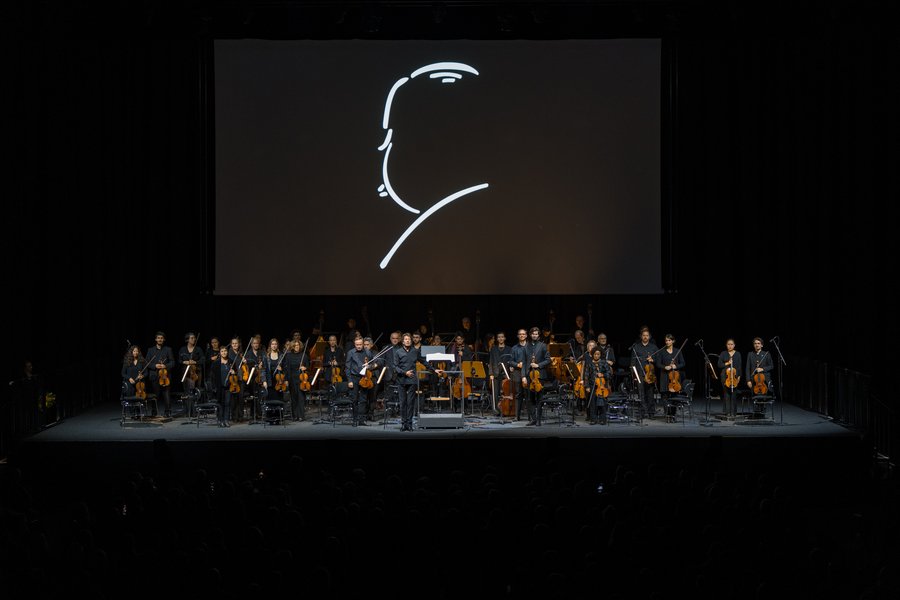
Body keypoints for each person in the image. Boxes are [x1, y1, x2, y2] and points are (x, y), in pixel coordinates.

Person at [392, 332, 428, 431]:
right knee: (403, 403)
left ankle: (409, 424)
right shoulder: (398, 352)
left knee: (410, 403)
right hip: (401, 380)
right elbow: (395, 366)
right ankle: (404, 424)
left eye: (409, 339)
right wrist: (405, 373)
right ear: (403, 341)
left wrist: (434, 370)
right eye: (406, 339)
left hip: (412, 380)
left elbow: (424, 361)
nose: (407, 341)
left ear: (411, 341)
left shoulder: (415, 351)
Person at [523, 327, 550, 425]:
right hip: (529, 375)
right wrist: (523, 376)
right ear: (530, 335)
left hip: (540, 376)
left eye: (536, 334)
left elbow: (548, 360)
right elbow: (524, 362)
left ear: (538, 335)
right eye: (533, 334)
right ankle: (533, 418)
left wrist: (538, 365)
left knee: (539, 398)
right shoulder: (526, 346)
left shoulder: (543, 345)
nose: (534, 335)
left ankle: (538, 419)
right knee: (529, 399)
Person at [345, 336, 375, 426]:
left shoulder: (367, 352)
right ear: (354, 344)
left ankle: (362, 420)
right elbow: (347, 367)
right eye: (357, 344)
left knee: (363, 399)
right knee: (354, 399)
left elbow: (372, 364)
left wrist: (369, 366)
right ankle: (355, 420)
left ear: (363, 344)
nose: (358, 346)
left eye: (360, 344)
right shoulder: (350, 352)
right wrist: (349, 380)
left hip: (364, 378)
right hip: (354, 378)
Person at [630, 326, 659, 419]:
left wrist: (653, 360)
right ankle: (642, 413)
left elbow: (658, 360)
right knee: (641, 394)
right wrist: (634, 374)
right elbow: (633, 362)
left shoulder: (654, 347)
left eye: (647, 335)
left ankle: (651, 413)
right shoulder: (636, 347)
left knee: (650, 394)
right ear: (641, 336)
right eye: (644, 335)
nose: (645, 337)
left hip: (650, 374)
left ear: (649, 336)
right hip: (639, 374)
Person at [658, 334, 685, 421]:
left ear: (673, 341)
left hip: (674, 377)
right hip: (664, 376)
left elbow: (683, 363)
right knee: (665, 397)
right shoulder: (662, 352)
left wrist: (675, 366)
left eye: (669, 340)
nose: (667, 342)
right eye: (666, 340)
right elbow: (658, 363)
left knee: (674, 397)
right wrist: (664, 367)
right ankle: (667, 415)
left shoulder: (678, 351)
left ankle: (673, 415)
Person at [147, 332, 174, 417]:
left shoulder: (168, 349)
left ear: (164, 339)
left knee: (166, 394)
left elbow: (172, 362)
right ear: (156, 339)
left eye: (161, 338)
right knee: (155, 395)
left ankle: (168, 412)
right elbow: (146, 363)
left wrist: (165, 366)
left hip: (165, 376)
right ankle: (154, 412)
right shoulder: (150, 350)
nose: (160, 339)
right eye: (158, 338)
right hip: (155, 376)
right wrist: (155, 365)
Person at [207, 345, 236, 427]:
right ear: (220, 353)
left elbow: (236, 373)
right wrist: (214, 387)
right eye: (222, 351)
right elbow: (212, 376)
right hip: (219, 387)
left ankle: (226, 420)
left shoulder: (231, 362)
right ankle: (220, 420)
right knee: (220, 404)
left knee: (227, 403)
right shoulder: (216, 363)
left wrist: (234, 372)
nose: (224, 353)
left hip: (229, 386)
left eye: (225, 351)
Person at [178, 332, 204, 418]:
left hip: (196, 373)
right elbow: (179, 360)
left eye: (194, 338)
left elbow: (203, 359)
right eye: (192, 338)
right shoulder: (182, 349)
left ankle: (195, 411)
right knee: (187, 392)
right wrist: (184, 362)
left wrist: (195, 362)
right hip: (186, 373)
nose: (194, 339)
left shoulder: (198, 349)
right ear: (187, 339)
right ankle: (188, 411)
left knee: (196, 391)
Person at [283, 339, 309, 421]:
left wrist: (305, 368)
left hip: (301, 379)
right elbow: (287, 369)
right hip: (292, 378)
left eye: (297, 345)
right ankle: (295, 416)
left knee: (301, 397)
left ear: (300, 346)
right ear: (292, 347)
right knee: (294, 398)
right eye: (295, 345)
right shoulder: (288, 356)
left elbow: (308, 366)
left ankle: (301, 415)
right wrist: (286, 379)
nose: (296, 347)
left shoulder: (304, 355)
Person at [746, 337, 774, 411]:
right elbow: (747, 368)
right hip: (754, 380)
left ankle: (762, 409)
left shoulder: (766, 354)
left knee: (763, 398)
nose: (757, 345)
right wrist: (748, 380)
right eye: (755, 343)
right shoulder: (750, 354)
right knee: (755, 398)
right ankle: (756, 411)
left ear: (762, 345)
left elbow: (771, 366)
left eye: (758, 343)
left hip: (764, 380)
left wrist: (762, 369)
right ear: (753, 345)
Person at [585, 348, 613, 424]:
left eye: (598, 354)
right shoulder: (589, 363)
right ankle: (593, 419)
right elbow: (586, 375)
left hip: (602, 386)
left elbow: (609, 374)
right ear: (592, 355)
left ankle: (602, 419)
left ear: (600, 355)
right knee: (593, 403)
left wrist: (603, 375)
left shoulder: (604, 363)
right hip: (592, 385)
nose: (596, 356)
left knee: (602, 403)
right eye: (595, 354)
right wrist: (587, 386)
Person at [718, 339, 742, 419]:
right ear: (726, 345)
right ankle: (727, 412)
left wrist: (739, 376)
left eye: (731, 344)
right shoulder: (723, 353)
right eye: (728, 344)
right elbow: (719, 365)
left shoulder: (738, 354)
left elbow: (739, 366)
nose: (730, 346)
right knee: (727, 394)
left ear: (734, 345)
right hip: (725, 377)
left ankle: (733, 412)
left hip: (735, 376)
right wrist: (728, 363)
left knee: (734, 394)